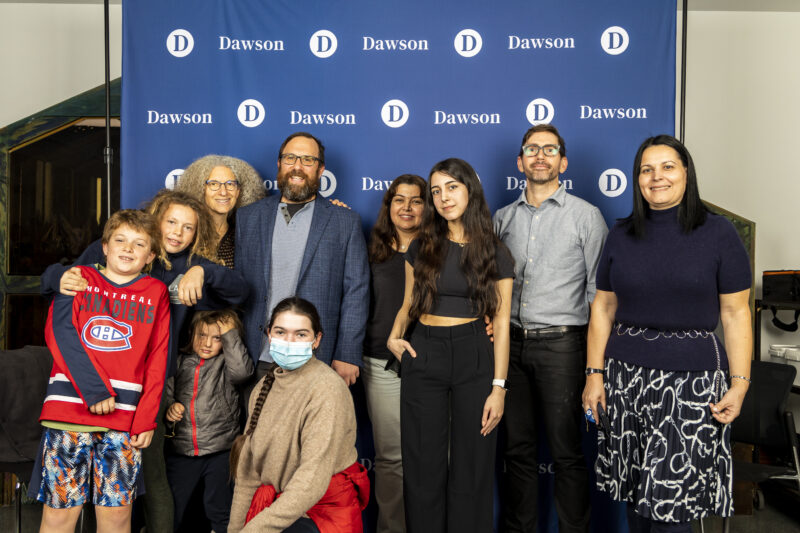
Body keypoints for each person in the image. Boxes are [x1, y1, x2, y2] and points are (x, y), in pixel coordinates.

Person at [41, 189, 249, 533]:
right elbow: (63, 294)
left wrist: (202, 274)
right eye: (171, 222)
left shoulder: (176, 278)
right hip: (77, 401)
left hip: (144, 398)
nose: (177, 232)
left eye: (188, 228)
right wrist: (54, 277)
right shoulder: (104, 260)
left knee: (144, 489)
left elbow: (241, 291)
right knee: (65, 508)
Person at [581, 135, 752, 533]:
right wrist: (594, 374)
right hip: (625, 382)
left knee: (672, 506)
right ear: (637, 179)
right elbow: (603, 308)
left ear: (686, 173)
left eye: (668, 167)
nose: (657, 177)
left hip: (691, 387)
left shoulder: (719, 233)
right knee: (637, 503)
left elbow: (736, 313)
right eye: (647, 169)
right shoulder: (621, 233)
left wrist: (740, 383)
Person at [387, 158, 514, 533]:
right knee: (422, 463)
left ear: (470, 190)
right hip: (424, 350)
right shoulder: (422, 246)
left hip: (475, 352)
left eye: (452, 188)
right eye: (437, 191)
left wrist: (499, 388)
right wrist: (395, 337)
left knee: (472, 464)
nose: (443, 198)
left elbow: (502, 322)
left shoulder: (495, 250)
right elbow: (409, 304)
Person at [493, 124, 607, 532]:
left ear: (563, 160)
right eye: (532, 149)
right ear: (520, 161)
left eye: (549, 149)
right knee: (517, 451)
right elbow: (487, 287)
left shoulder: (587, 216)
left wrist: (595, 368)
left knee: (566, 452)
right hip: (512, 347)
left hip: (563, 347)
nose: (540, 156)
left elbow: (600, 297)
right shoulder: (501, 219)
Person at [30, 209, 170, 533]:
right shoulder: (78, 277)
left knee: (117, 517)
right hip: (69, 414)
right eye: (120, 240)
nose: (128, 248)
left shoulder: (156, 293)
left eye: (139, 244)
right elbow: (60, 335)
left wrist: (147, 417)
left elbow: (158, 357)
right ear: (104, 246)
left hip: (124, 421)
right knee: (60, 514)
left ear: (150, 255)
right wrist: (94, 390)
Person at [235, 132, 369, 385]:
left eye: (307, 159)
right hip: (257, 357)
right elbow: (237, 287)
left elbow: (357, 292)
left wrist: (347, 353)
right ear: (279, 164)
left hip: (318, 359)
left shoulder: (345, 222)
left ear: (320, 169)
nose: (297, 166)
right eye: (290, 158)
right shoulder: (248, 218)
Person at [228, 297, 369, 533]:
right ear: (269, 336)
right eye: (281, 332)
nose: (289, 341)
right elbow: (248, 476)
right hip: (279, 507)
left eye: (301, 334)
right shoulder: (264, 386)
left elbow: (310, 481)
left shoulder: (327, 388)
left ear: (316, 340)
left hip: (321, 511)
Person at [363, 174, 427, 533]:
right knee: (390, 459)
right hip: (380, 364)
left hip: (433, 362)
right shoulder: (371, 248)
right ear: (388, 206)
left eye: (416, 200)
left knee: (435, 455)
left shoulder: (441, 248)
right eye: (398, 200)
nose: (406, 207)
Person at [164, 309, 253, 533]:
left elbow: (243, 372)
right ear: (191, 334)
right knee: (173, 508)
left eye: (217, 338)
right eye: (201, 335)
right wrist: (169, 408)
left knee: (219, 508)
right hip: (182, 450)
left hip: (220, 450)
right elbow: (165, 392)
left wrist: (230, 334)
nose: (207, 343)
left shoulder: (226, 365)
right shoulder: (179, 361)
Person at [175, 154, 265, 268]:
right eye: (214, 184)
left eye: (230, 184)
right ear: (200, 189)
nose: (223, 192)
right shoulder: (187, 232)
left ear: (238, 191)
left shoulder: (245, 236)